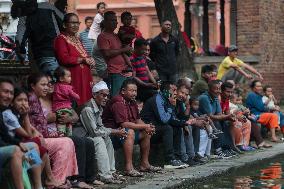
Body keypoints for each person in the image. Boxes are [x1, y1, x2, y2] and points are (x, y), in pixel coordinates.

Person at [36, 74, 96, 188]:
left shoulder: (57, 99)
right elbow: (35, 122)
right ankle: (78, 179)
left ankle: (90, 178)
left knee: (89, 142)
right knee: (77, 141)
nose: (49, 86)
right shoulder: (36, 101)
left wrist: (69, 118)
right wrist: (48, 119)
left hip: (61, 132)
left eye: (51, 83)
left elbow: (75, 116)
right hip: (50, 135)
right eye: (45, 84)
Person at [4, 87, 64, 188]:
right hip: (13, 150)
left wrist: (24, 116)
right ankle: (39, 183)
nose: (23, 103)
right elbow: (28, 135)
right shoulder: (9, 115)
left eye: (25, 100)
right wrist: (26, 115)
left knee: (42, 151)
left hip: (21, 149)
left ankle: (43, 181)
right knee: (36, 146)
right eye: (19, 100)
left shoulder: (17, 114)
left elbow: (32, 134)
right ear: (12, 102)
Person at [27, 73, 80, 185]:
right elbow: (29, 123)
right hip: (33, 139)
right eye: (43, 85)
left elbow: (38, 124)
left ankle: (59, 179)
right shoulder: (30, 98)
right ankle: (58, 180)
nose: (46, 87)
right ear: (33, 86)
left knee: (67, 141)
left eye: (47, 84)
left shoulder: (36, 98)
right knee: (66, 142)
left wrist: (50, 134)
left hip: (41, 137)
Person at [102, 78, 161, 176]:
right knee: (129, 132)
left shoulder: (132, 101)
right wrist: (145, 125)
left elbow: (137, 119)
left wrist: (148, 127)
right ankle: (129, 168)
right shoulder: (118, 101)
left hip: (123, 134)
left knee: (146, 132)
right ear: (123, 91)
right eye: (131, 90)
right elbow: (124, 124)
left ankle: (144, 164)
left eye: (135, 91)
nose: (134, 93)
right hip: (111, 135)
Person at [0, 78, 46, 189]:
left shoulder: (2, 110)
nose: (9, 96)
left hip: (4, 146)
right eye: (5, 92)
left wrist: (18, 142)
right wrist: (17, 144)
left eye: (11, 93)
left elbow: (5, 134)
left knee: (33, 147)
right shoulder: (6, 113)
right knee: (16, 151)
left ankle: (38, 186)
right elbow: (27, 135)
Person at [141, 82, 197, 169]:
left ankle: (177, 157)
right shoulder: (157, 99)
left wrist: (185, 123)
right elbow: (164, 120)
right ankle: (169, 160)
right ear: (166, 91)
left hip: (157, 127)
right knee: (168, 128)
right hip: (148, 130)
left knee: (177, 127)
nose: (175, 93)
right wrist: (171, 106)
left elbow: (173, 119)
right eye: (173, 90)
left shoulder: (166, 99)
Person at [80, 81, 126, 184]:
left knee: (107, 139)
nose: (106, 98)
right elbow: (94, 133)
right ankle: (104, 175)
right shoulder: (88, 109)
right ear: (94, 95)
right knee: (99, 140)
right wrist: (113, 131)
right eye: (103, 95)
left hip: (90, 136)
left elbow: (101, 127)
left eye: (107, 96)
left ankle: (111, 172)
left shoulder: (99, 108)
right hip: (82, 137)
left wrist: (114, 131)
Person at [16, 0, 66, 75]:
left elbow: (19, 40)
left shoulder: (24, 15)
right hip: (60, 52)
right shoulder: (49, 7)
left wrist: (22, 57)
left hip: (41, 55)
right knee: (59, 81)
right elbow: (65, 22)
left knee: (50, 82)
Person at [54, 13, 95, 106]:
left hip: (85, 78)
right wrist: (83, 60)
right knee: (76, 102)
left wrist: (90, 59)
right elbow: (64, 59)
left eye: (77, 23)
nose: (76, 25)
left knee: (86, 103)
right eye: (72, 23)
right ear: (64, 25)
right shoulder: (61, 39)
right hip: (73, 77)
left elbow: (83, 55)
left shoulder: (77, 39)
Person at [97, 11, 133, 96]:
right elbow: (107, 53)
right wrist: (124, 50)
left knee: (126, 97)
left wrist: (129, 50)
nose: (116, 22)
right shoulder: (102, 36)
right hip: (115, 72)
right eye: (112, 20)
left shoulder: (116, 35)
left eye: (116, 20)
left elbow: (124, 49)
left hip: (124, 71)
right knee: (117, 97)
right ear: (105, 22)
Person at [52, 66, 80, 136]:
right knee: (68, 123)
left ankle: (61, 132)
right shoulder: (67, 87)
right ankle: (69, 134)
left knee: (61, 122)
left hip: (56, 108)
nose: (70, 78)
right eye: (69, 76)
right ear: (61, 78)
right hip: (66, 107)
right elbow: (76, 97)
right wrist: (77, 96)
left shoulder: (55, 86)